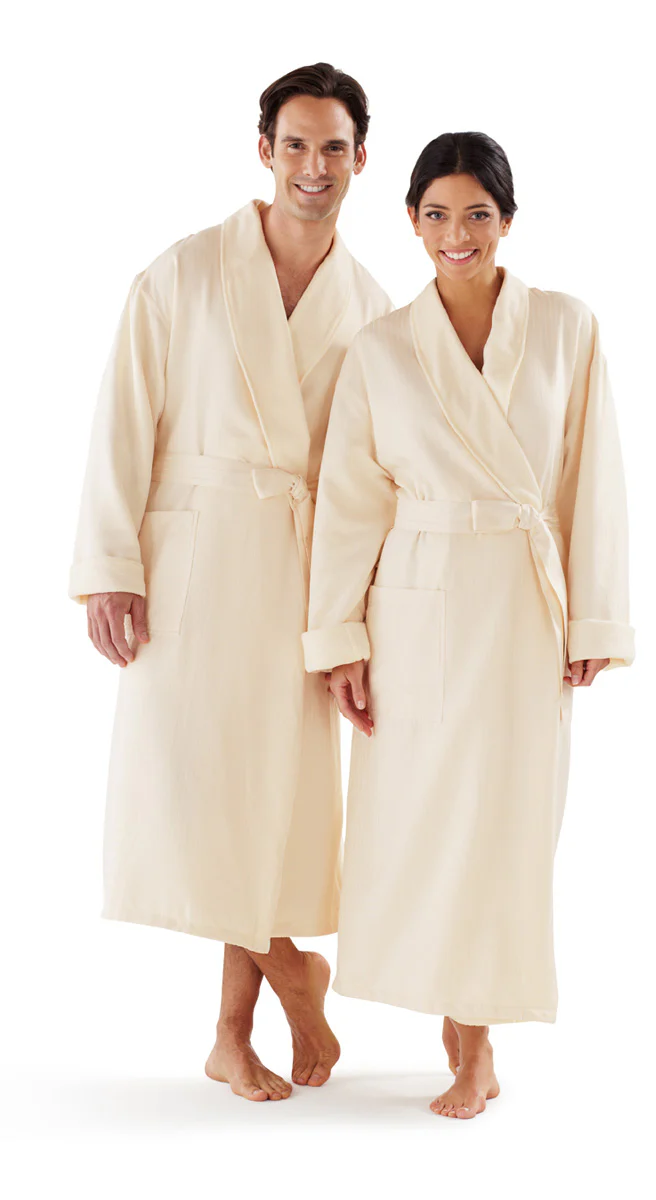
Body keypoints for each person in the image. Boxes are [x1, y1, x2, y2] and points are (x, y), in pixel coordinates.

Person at [69, 63, 392, 1102]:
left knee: (264, 804)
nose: (313, 166)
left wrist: (354, 621)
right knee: (192, 788)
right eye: (295, 144)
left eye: (333, 147)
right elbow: (123, 417)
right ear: (264, 151)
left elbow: (369, 478)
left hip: (299, 577)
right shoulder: (184, 272)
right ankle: (293, 970)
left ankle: (229, 1035)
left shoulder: (370, 307)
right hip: (193, 565)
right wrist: (110, 566)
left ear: (360, 158)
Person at [303, 131, 635, 1119]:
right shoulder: (380, 348)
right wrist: (339, 637)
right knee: (420, 821)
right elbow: (349, 502)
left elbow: (591, 478)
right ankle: (457, 1026)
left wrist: (594, 617)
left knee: (505, 825)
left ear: (507, 221)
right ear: (411, 221)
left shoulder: (567, 327)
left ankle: (477, 1044)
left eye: (477, 214)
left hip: (522, 607)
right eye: (438, 214)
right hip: (415, 608)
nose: (458, 234)